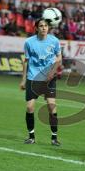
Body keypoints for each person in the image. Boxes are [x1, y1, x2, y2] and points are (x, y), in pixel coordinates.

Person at [19, 18, 62, 146]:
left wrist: (53, 72)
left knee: (51, 105)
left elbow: (59, 58)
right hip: (33, 78)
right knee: (29, 107)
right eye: (41, 26)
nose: (44, 28)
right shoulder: (29, 42)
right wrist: (23, 80)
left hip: (48, 78)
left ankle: (54, 138)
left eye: (46, 26)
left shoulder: (54, 41)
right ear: (36, 28)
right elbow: (26, 61)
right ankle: (31, 136)